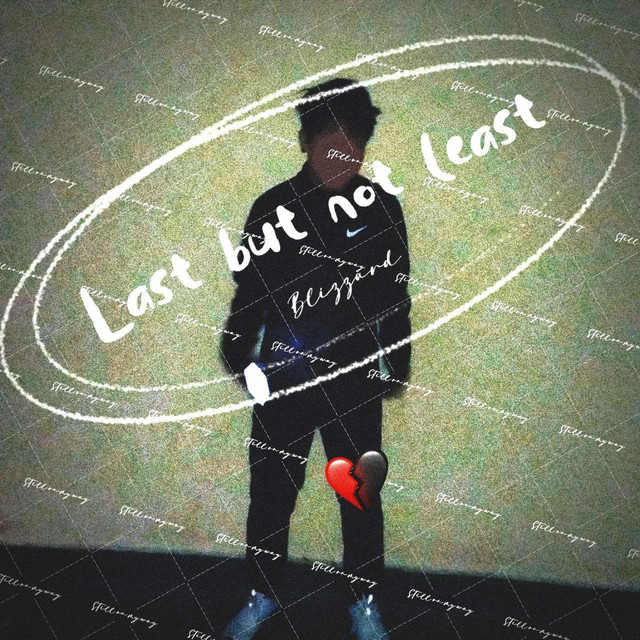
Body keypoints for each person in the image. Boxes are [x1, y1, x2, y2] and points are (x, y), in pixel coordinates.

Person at [220, 78, 412, 640]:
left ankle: (363, 601)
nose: (341, 159)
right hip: (284, 374)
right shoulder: (272, 209)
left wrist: (396, 362)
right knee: (272, 492)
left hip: (354, 376)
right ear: (306, 141)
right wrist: (239, 356)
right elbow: (249, 294)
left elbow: (394, 296)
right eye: (329, 144)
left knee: (359, 494)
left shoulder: (382, 209)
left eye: (353, 146)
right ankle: (261, 593)